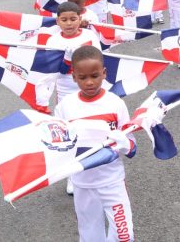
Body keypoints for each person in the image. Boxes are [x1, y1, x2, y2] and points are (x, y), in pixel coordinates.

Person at [53, 45, 137, 241]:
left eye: (95, 75)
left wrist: (124, 143)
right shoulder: (65, 107)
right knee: (90, 235)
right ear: (74, 76)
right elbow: (57, 148)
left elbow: (132, 148)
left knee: (124, 235)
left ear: (104, 73)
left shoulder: (115, 103)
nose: (89, 82)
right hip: (82, 183)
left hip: (112, 181)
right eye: (83, 77)